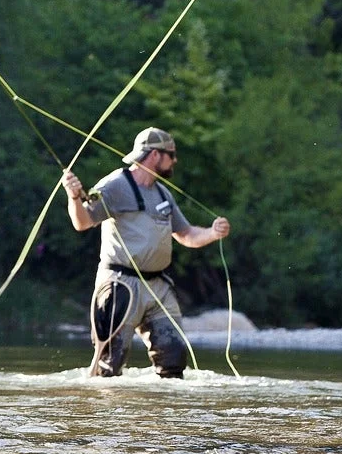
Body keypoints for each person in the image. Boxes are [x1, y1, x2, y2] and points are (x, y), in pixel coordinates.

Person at [59, 127, 230, 379]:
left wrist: (214, 233)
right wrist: (73, 197)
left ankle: (162, 416)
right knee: (109, 366)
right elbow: (82, 222)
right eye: (170, 154)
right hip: (120, 285)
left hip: (158, 287)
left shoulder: (163, 194)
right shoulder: (115, 185)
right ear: (154, 155)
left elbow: (186, 235)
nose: (174, 160)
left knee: (174, 361)